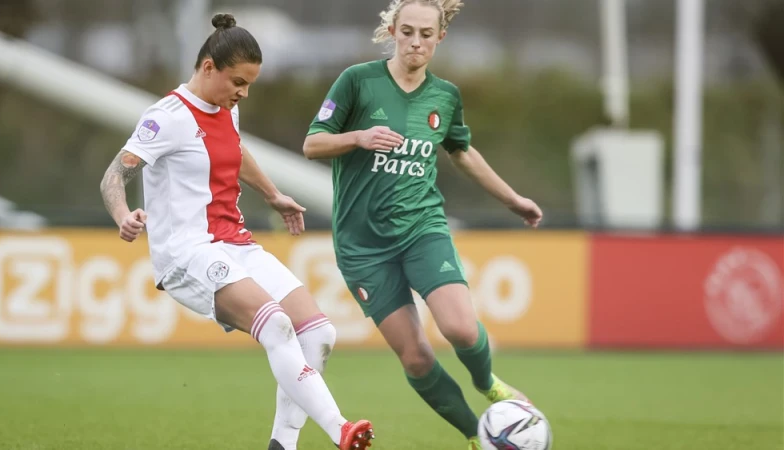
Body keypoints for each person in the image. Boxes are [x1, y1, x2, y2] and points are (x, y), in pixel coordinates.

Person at [99, 14, 375, 450]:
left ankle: (282, 445)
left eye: (248, 84)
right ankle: (340, 429)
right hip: (187, 253)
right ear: (208, 67)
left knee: (319, 333)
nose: (243, 93)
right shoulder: (166, 117)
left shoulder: (228, 108)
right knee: (277, 325)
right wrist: (122, 216)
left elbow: (235, 149)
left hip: (235, 244)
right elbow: (114, 176)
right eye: (237, 82)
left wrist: (273, 194)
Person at [302, 1, 543, 449]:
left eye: (425, 34)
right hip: (362, 246)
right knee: (415, 357)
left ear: (440, 38)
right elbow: (312, 144)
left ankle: (488, 382)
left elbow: (462, 152)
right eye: (407, 31)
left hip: (421, 229)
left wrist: (513, 199)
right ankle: (477, 435)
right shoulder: (358, 81)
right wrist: (357, 137)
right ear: (393, 31)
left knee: (462, 329)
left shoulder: (445, 96)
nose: (415, 42)